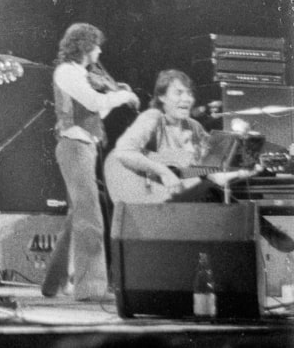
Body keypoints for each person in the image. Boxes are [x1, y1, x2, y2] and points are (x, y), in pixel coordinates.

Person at [107, 68, 294, 251]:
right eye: (179, 92)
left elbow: (214, 175)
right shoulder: (153, 118)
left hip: (185, 206)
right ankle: (273, 235)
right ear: (162, 97)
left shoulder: (194, 127)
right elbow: (123, 152)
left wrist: (244, 171)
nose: (186, 98)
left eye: (189, 93)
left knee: (216, 195)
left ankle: (269, 237)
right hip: (148, 201)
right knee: (214, 196)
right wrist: (163, 171)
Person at [41, 23, 139, 302]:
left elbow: (98, 111)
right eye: (95, 45)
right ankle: (91, 289)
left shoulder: (80, 74)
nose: (99, 50)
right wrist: (123, 96)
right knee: (91, 219)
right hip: (74, 147)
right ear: (84, 46)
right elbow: (94, 102)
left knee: (78, 217)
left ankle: (53, 282)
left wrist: (115, 97)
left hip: (85, 146)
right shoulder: (67, 72)